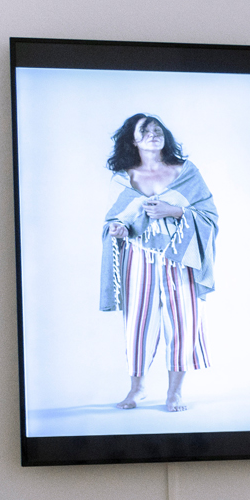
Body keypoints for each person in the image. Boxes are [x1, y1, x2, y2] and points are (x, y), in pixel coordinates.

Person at [99, 114, 217, 411]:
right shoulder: (123, 178)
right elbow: (117, 219)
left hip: (181, 257)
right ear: (133, 139)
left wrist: (173, 211)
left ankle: (174, 392)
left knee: (183, 322)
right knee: (137, 323)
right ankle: (137, 389)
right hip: (138, 256)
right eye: (145, 131)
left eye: (157, 129)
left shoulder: (185, 172)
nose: (153, 134)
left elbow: (209, 215)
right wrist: (118, 229)